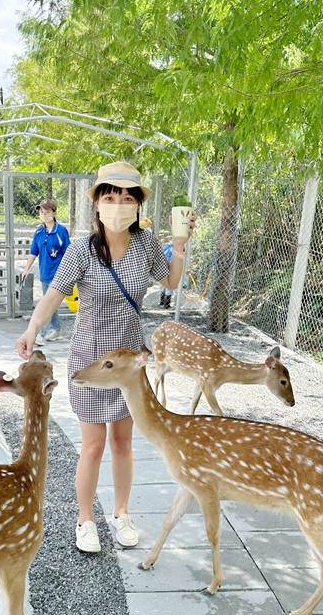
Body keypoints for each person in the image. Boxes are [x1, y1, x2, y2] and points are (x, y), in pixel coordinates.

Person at [15, 161, 195, 554]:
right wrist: (32, 329)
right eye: (110, 196)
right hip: (92, 362)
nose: (118, 204)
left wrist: (179, 246)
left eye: (127, 197)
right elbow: (53, 296)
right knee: (93, 444)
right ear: (97, 203)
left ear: (136, 205)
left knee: (123, 442)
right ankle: (85, 520)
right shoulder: (80, 249)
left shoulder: (146, 243)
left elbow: (171, 281)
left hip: (129, 363)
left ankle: (122, 513)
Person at [21, 198, 70, 344]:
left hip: (58, 275)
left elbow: (68, 253)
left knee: (47, 304)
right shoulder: (39, 232)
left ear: (54, 213)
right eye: (41, 212)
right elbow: (33, 252)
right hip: (45, 275)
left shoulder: (61, 231)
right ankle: (57, 330)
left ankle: (40, 334)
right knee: (50, 304)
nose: (43, 214)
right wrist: (26, 268)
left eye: (47, 212)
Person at [160, 242, 175, 308]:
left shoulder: (167, 246)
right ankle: (167, 304)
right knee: (169, 286)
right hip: (170, 267)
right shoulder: (176, 248)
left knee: (163, 285)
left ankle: (162, 302)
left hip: (162, 267)